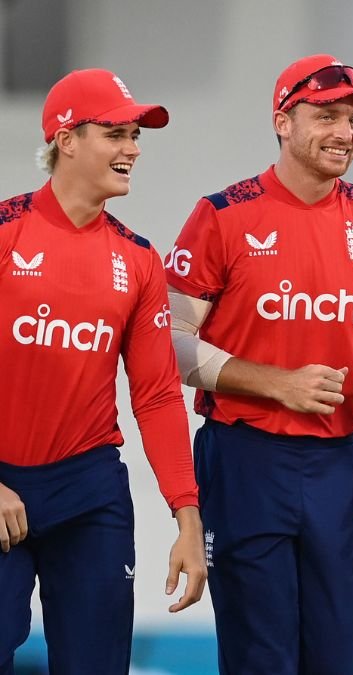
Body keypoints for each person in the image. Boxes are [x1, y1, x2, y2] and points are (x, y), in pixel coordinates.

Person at [162, 54, 353, 674]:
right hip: (244, 459)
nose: (346, 132)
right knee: (260, 659)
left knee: (340, 657)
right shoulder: (222, 214)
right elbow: (168, 341)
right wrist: (274, 383)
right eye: (327, 116)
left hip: (338, 466)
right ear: (283, 122)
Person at [0, 69, 207, 674]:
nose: (133, 149)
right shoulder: (7, 231)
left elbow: (158, 396)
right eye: (116, 134)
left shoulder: (138, 258)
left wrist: (187, 516)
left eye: (135, 135)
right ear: (66, 140)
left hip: (88, 490)